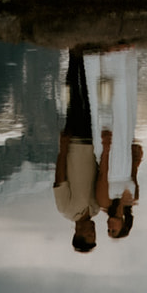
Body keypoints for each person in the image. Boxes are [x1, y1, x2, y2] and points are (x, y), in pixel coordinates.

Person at [85, 47, 141, 239]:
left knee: (107, 107)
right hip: (124, 157)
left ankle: (103, 60)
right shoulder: (132, 200)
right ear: (124, 224)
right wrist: (135, 158)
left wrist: (106, 149)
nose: (109, 227)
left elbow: (102, 175)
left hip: (110, 156)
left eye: (108, 230)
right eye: (113, 230)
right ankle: (121, 57)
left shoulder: (104, 202)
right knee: (124, 108)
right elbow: (134, 174)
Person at [53, 50, 100, 253]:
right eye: (94, 234)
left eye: (89, 234)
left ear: (77, 233)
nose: (93, 231)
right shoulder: (96, 208)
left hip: (73, 145)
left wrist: (63, 148)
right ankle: (81, 57)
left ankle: (74, 57)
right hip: (90, 143)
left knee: (73, 99)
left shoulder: (66, 209)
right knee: (87, 101)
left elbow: (60, 179)